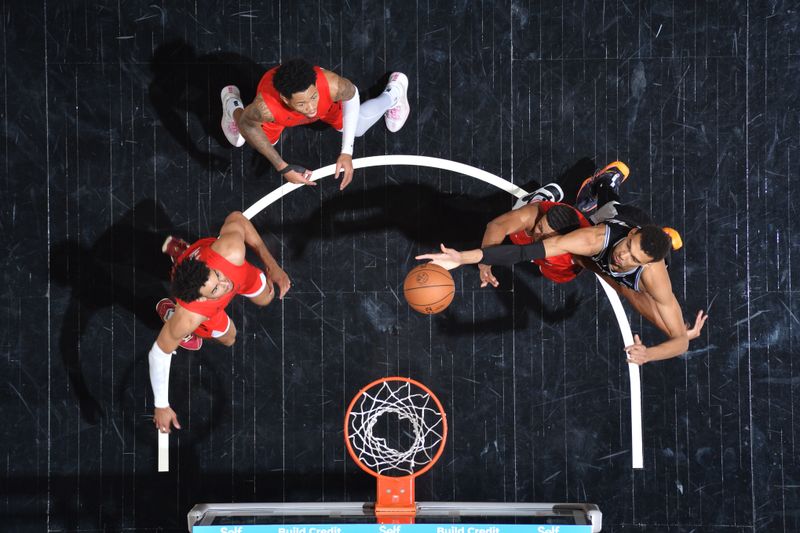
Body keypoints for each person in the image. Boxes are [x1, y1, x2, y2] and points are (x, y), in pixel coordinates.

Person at [417, 162, 708, 365]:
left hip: (638, 269)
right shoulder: (594, 238)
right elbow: (520, 253)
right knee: (602, 212)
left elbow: (681, 342)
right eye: (629, 247)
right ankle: (604, 184)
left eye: (635, 258)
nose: (623, 257)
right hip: (620, 218)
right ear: (630, 235)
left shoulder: (653, 276)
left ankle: (665, 239)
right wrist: (462, 256)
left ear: (647, 264)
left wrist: (650, 353)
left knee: (635, 298)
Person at [149, 211, 291, 434]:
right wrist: (161, 405)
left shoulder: (229, 254)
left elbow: (237, 219)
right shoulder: (191, 314)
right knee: (229, 337)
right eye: (216, 288)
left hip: (230, 266)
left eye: (217, 276)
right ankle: (171, 310)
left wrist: (271, 264)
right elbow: (159, 353)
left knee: (266, 297)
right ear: (202, 297)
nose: (226, 284)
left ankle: (185, 253)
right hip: (207, 311)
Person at [219, 58, 410, 190]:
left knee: (357, 129)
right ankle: (231, 102)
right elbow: (247, 123)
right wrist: (283, 167)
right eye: (302, 103)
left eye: (313, 97)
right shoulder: (265, 108)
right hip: (278, 118)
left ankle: (394, 93)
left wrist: (347, 151)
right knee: (243, 138)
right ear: (285, 99)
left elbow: (352, 96)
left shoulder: (332, 85)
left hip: (325, 108)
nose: (311, 107)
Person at [477, 182, 592, 288]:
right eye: (540, 227)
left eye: (547, 237)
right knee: (518, 212)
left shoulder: (580, 250)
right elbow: (497, 226)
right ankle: (538, 198)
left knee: (555, 274)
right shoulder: (531, 216)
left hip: (562, 254)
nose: (538, 236)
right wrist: (486, 261)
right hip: (535, 220)